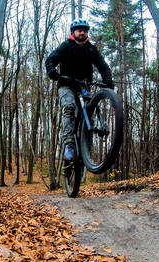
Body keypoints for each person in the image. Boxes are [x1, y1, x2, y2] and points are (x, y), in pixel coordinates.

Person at [45, 18, 113, 161]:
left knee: (89, 112)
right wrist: (52, 71)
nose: (82, 32)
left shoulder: (91, 49)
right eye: (79, 30)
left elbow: (102, 65)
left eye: (85, 30)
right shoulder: (66, 46)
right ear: (73, 32)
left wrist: (108, 80)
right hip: (66, 85)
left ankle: (85, 146)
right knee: (69, 107)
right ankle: (69, 145)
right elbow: (51, 59)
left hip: (84, 86)